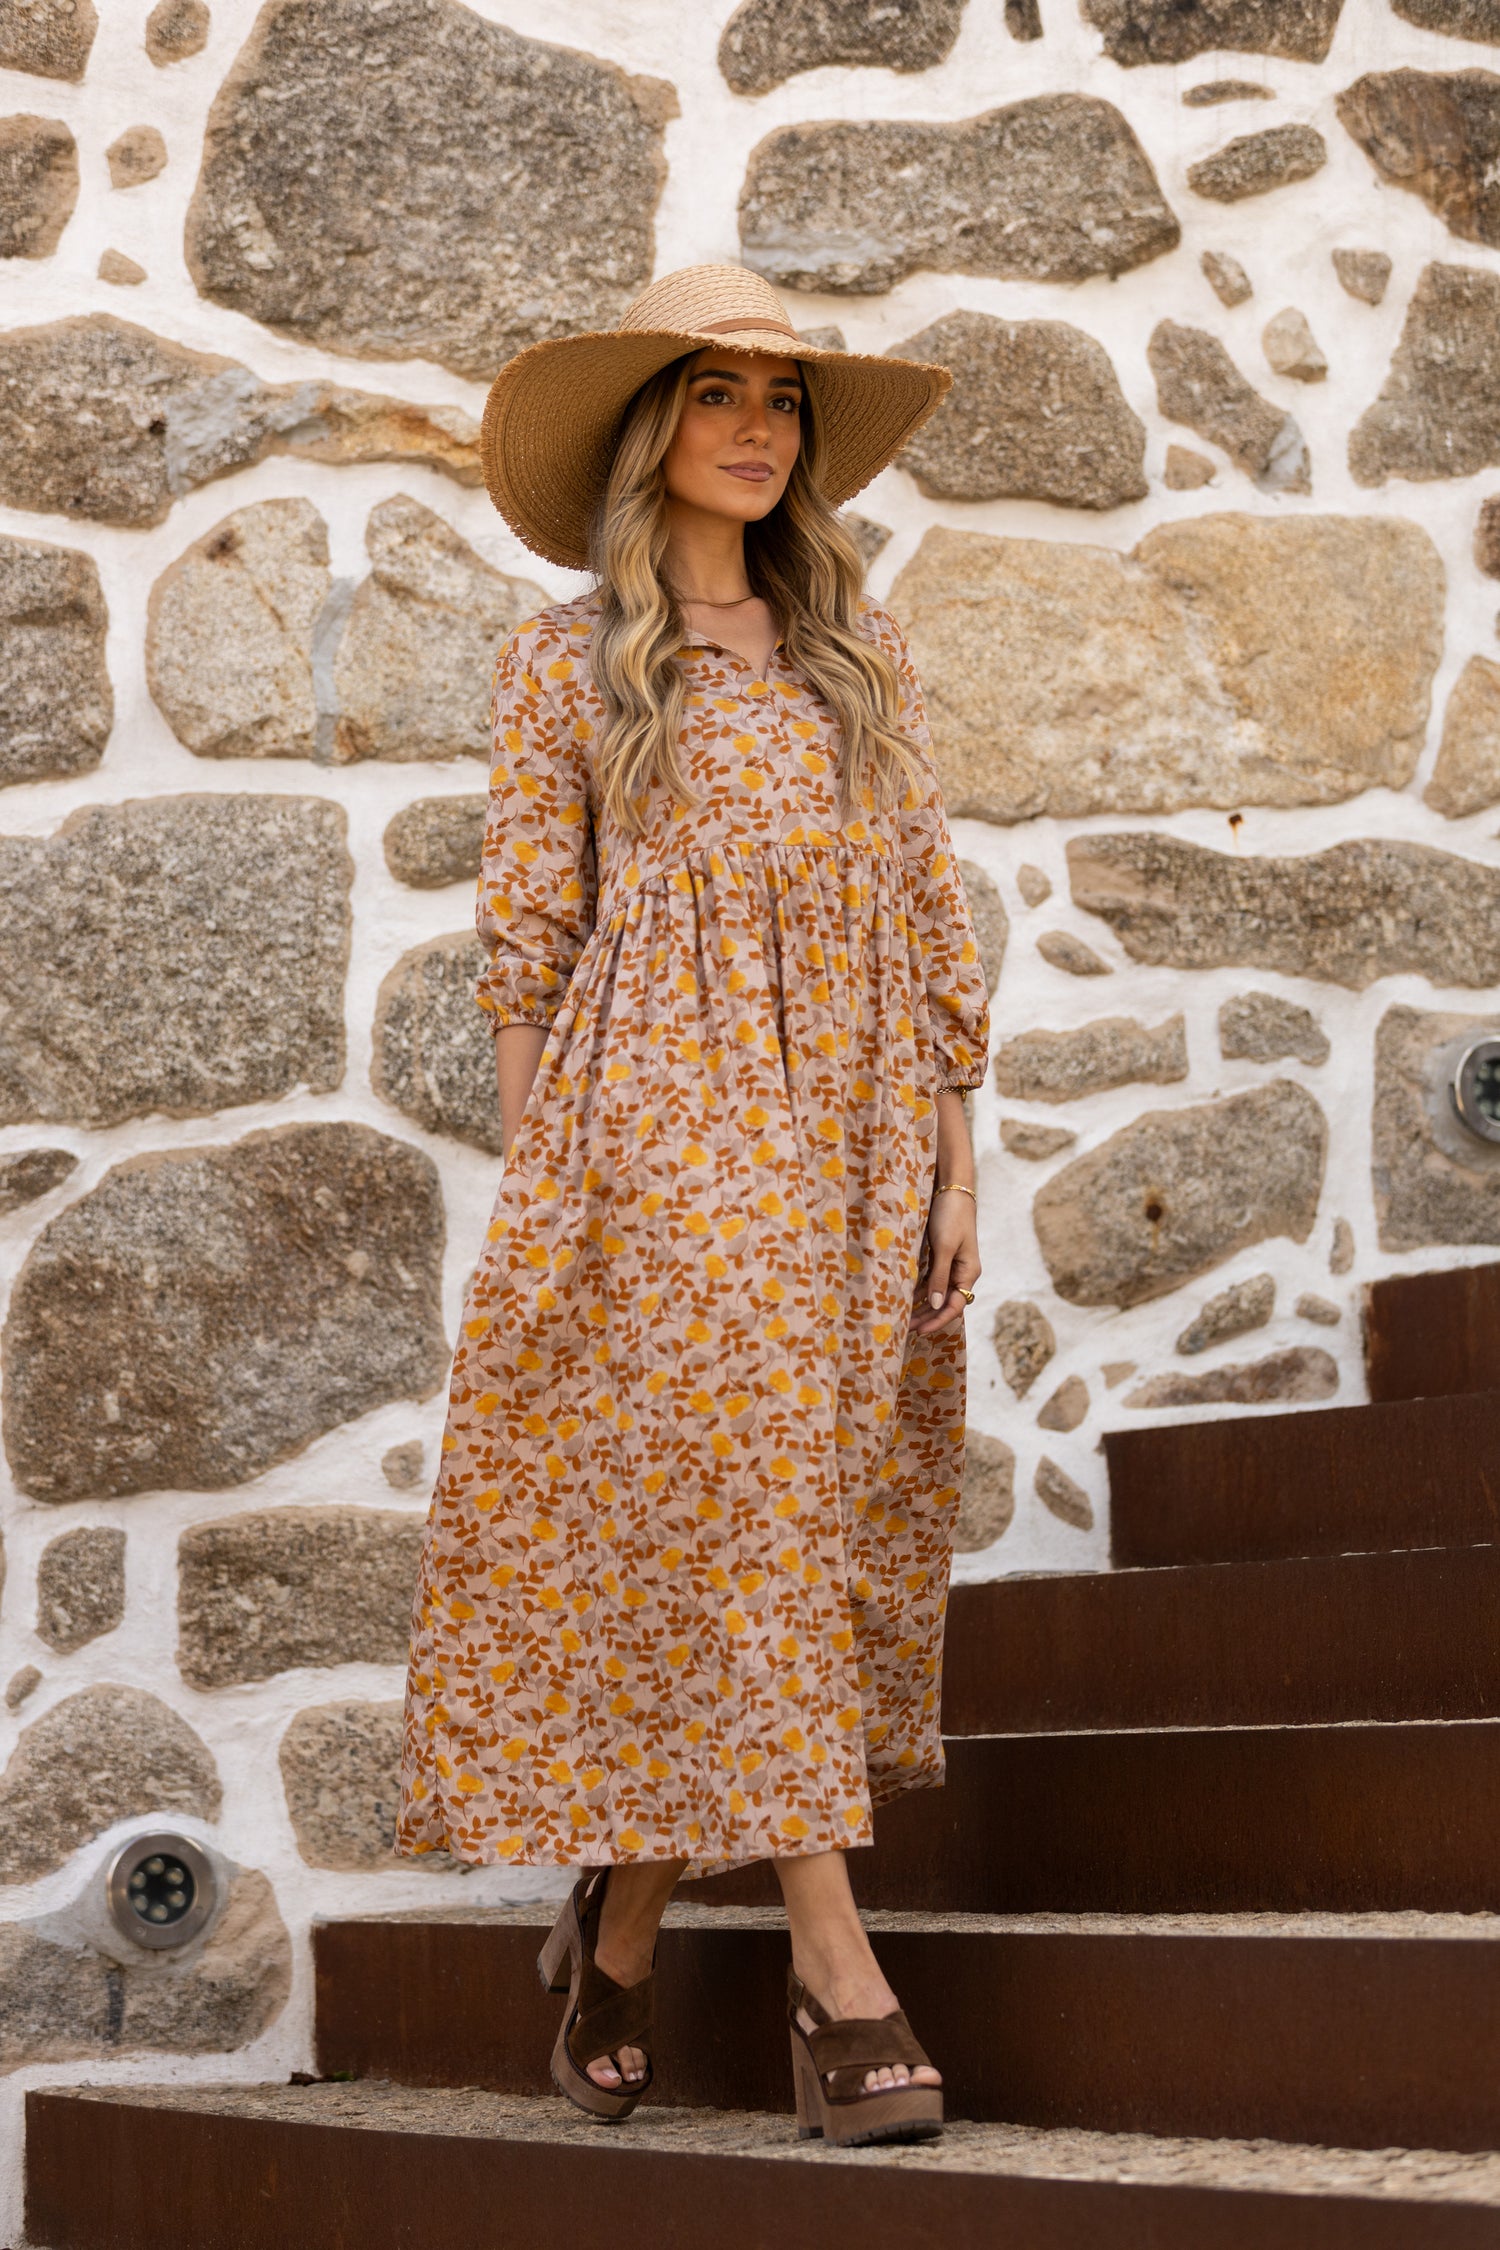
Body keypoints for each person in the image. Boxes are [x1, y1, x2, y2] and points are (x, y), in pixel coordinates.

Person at [398, 264, 988, 2149]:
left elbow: (922, 900)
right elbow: (528, 936)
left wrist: (959, 1156)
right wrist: (543, 1193)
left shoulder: (856, 647)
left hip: (857, 1121)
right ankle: (837, 1966)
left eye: (783, 399)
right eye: (719, 392)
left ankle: (624, 1926)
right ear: (653, 427)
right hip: (650, 1115)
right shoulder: (561, 659)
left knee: (785, 1506)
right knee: (747, 1472)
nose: (758, 428)